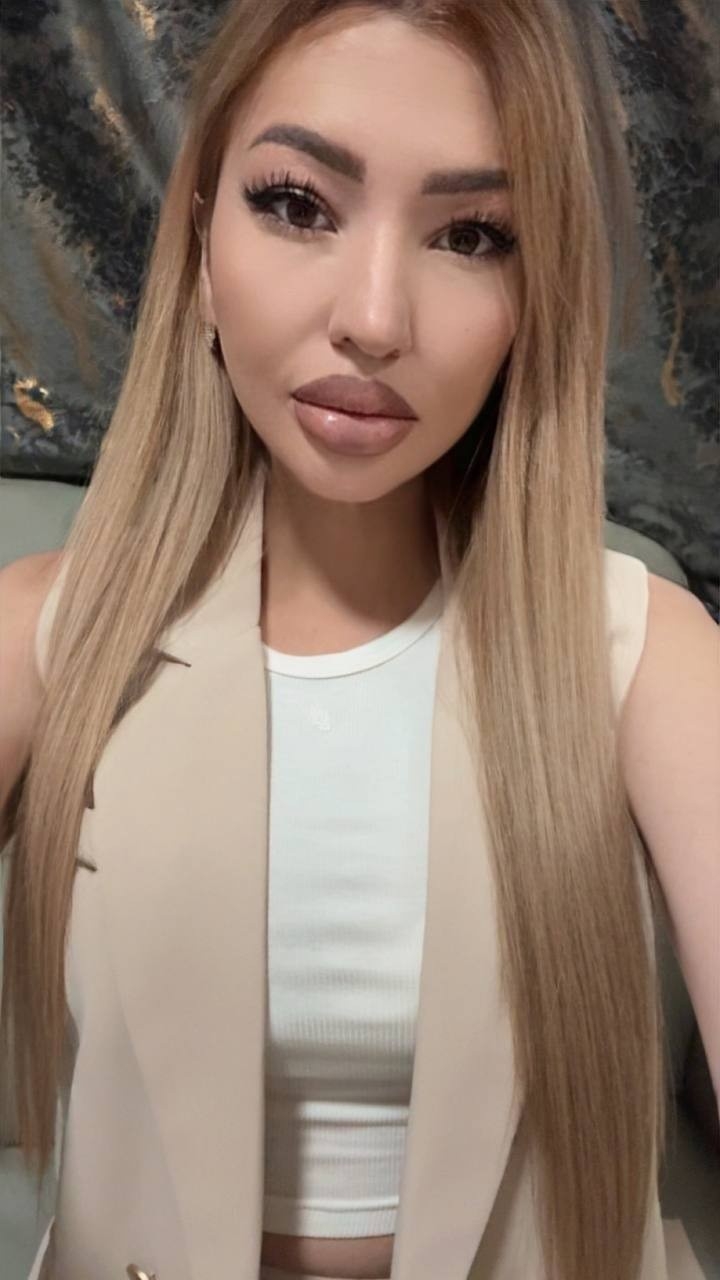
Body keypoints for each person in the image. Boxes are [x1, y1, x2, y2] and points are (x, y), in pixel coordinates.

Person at [1, 3, 717, 1279]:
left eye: (473, 235)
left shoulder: (642, 653)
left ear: (536, 294)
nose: (375, 317)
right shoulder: (47, 637)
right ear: (201, 244)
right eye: (297, 205)